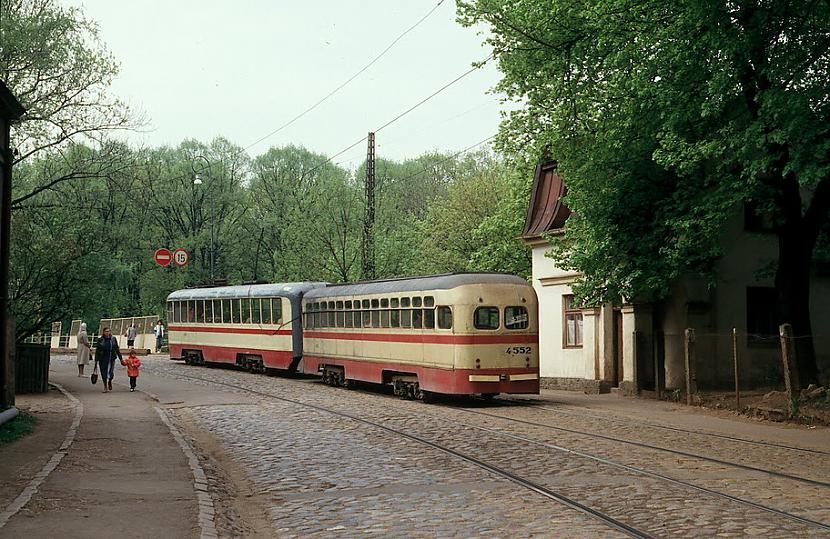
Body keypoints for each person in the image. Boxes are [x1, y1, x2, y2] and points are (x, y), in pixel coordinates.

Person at [94, 327, 122, 392]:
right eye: (106, 331)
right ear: (103, 332)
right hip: (102, 358)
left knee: (110, 373)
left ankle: (110, 381)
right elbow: (97, 350)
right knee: (103, 373)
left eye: (109, 331)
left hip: (111, 358)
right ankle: (105, 386)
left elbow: (117, 349)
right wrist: (96, 360)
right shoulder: (100, 340)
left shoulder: (113, 339)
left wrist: (121, 359)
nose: (108, 333)